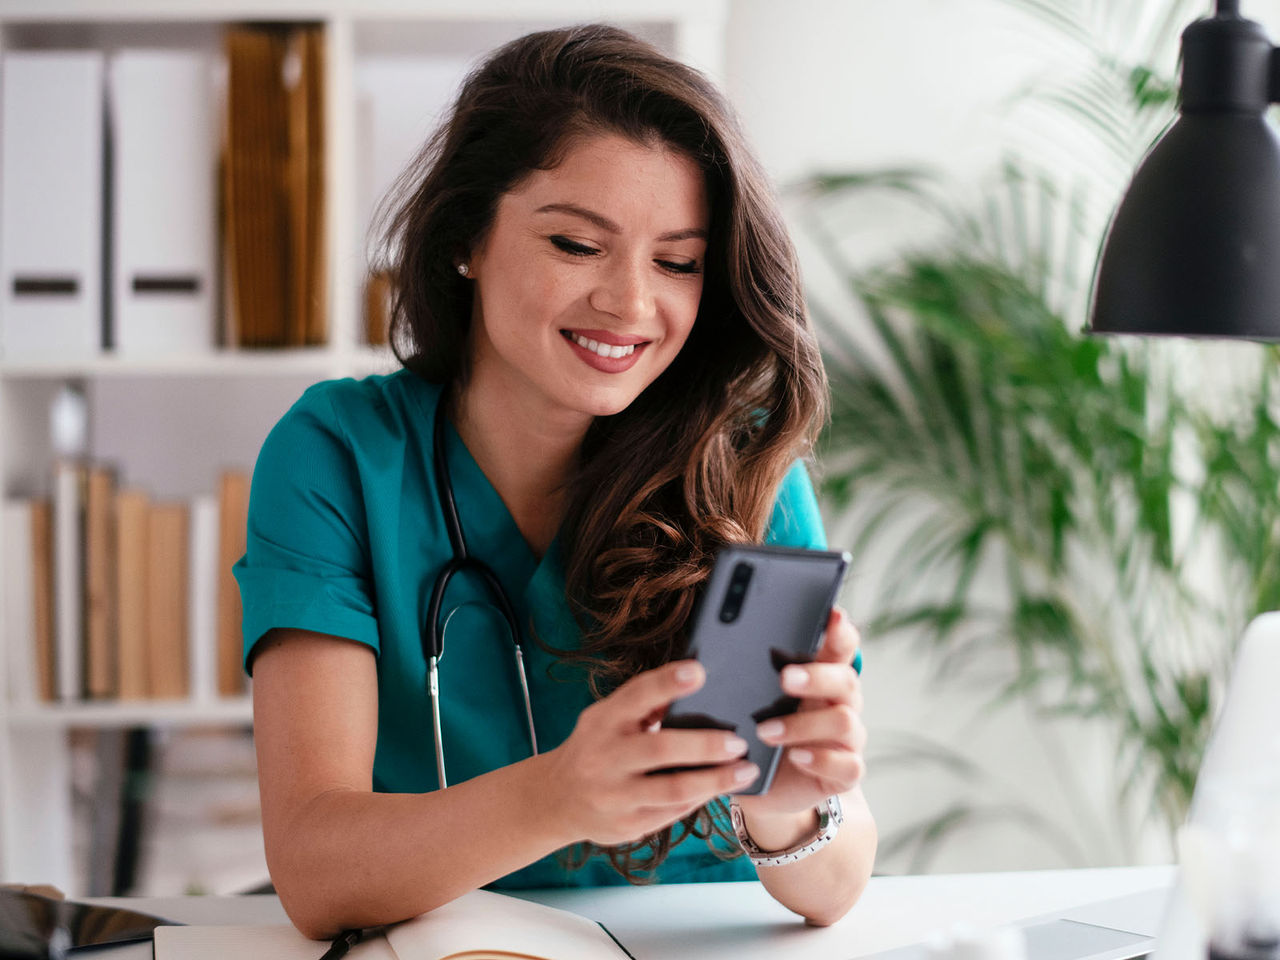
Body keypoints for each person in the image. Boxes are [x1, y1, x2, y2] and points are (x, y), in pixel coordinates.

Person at [233, 23, 876, 941]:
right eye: (578, 244)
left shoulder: (744, 471)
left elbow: (839, 880)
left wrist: (790, 811)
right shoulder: (338, 454)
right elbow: (315, 870)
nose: (630, 303)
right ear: (466, 238)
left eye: (677, 262)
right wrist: (562, 797)